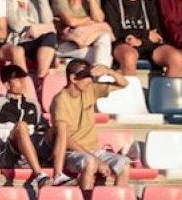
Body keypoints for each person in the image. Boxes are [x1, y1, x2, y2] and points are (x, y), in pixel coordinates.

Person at [50, 59, 130, 189]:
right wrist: (96, 159)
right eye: (86, 77)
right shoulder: (60, 100)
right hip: (72, 152)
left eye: (91, 77)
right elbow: (64, 138)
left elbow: (124, 84)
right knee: (90, 162)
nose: (90, 80)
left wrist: (109, 71)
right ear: (73, 78)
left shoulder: (90, 89)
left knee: (124, 164)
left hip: (94, 150)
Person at [105, 0, 182, 77]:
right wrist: (145, 34)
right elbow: (115, 31)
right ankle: (131, 93)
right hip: (123, 42)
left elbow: (157, 34)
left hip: (147, 43)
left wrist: (142, 39)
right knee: (129, 56)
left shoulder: (149, 4)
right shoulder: (112, 1)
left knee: (176, 58)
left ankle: (164, 92)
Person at [51, 0, 113, 67]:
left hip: (88, 40)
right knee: (101, 54)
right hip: (66, 42)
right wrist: (89, 20)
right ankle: (100, 78)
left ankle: (100, 76)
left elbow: (99, 19)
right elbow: (71, 21)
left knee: (104, 39)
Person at [4, 0, 60, 80]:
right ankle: (39, 80)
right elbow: (16, 25)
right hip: (19, 39)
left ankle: (40, 78)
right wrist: (36, 28)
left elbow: (47, 20)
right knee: (49, 36)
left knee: (50, 36)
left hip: (36, 38)